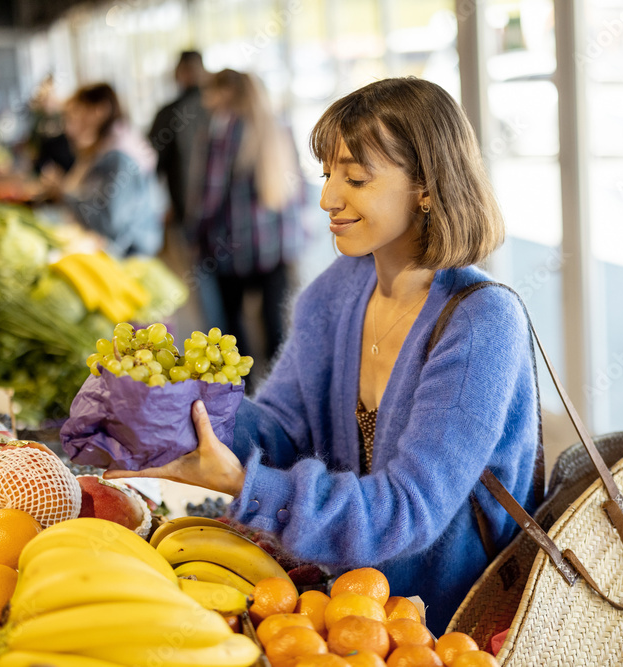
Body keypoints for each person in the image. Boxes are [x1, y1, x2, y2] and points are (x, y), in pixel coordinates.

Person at [106, 77, 539, 635]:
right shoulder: (337, 291)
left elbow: (407, 510)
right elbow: (283, 426)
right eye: (328, 173)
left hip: (445, 628)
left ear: (427, 187)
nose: (328, 199)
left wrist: (246, 485)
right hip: (344, 606)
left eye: (356, 178)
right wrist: (180, 408)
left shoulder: (482, 324)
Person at [188, 69, 304, 373]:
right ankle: (282, 388)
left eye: (210, 92)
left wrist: (194, 234)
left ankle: (245, 392)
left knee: (233, 328)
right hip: (278, 246)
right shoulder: (279, 126)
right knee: (276, 324)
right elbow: (299, 188)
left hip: (233, 248)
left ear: (226, 93)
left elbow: (210, 197)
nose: (206, 100)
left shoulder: (223, 133)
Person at [42, 83, 164, 257]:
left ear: (100, 110)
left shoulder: (120, 156)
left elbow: (109, 223)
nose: (69, 126)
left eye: (77, 114)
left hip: (132, 259)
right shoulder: (105, 147)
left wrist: (63, 195)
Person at [149, 51, 209, 231]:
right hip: (209, 208)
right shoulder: (219, 109)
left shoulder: (169, 113)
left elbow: (152, 163)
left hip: (184, 208)